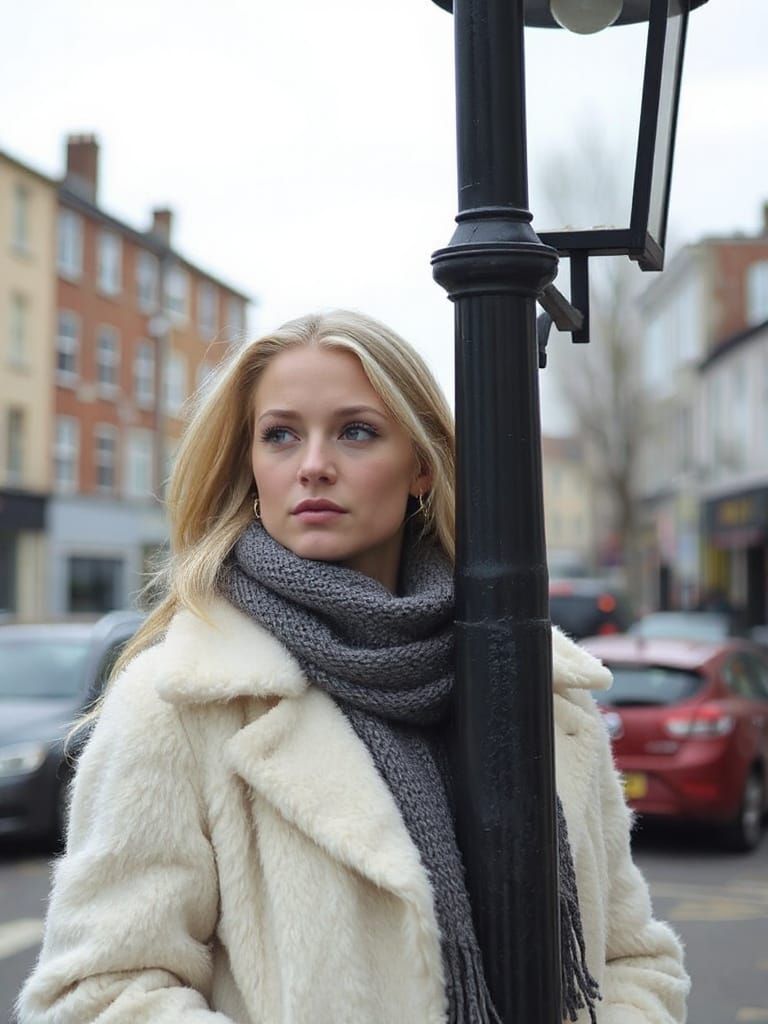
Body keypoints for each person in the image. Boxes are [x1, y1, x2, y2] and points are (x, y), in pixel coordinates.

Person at [17, 310, 689, 1024]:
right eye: (280, 435)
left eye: (355, 431)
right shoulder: (178, 702)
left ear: (422, 466)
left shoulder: (542, 691)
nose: (312, 463)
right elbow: (97, 994)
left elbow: (631, 960)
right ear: (249, 464)